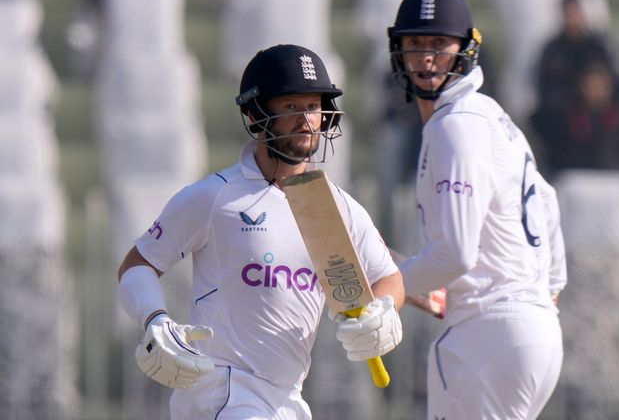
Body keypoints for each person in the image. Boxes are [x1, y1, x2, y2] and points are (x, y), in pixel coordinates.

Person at [116, 44, 405, 419]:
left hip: (288, 397)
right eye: (290, 107)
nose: (306, 119)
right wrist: (156, 320)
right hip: (222, 389)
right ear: (255, 115)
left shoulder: (338, 208)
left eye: (314, 106)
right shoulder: (215, 197)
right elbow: (136, 265)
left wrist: (383, 310)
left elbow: (388, 277)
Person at [387, 0, 566, 418]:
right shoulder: (490, 116)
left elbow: (455, 253)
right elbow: (548, 201)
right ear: (399, 51)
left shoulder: (456, 126)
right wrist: (544, 290)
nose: (426, 59)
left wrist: (386, 287)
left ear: (466, 48)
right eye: (415, 45)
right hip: (534, 332)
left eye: (438, 45)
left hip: (487, 335)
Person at [531, 60, 619, 178]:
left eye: (600, 85)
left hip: (615, 175)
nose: (595, 90)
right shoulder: (564, 115)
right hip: (574, 175)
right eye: (590, 85)